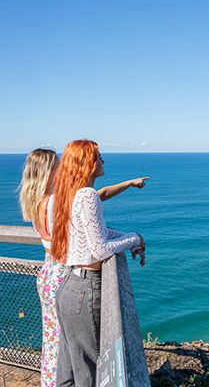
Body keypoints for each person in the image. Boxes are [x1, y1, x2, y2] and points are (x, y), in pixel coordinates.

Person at [19, 148, 148, 387]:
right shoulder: (60, 202)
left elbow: (97, 197)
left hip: (47, 275)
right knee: (76, 350)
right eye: (58, 165)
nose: (62, 169)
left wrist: (128, 184)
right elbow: (95, 203)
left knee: (56, 341)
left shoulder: (36, 202)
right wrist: (134, 238)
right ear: (49, 171)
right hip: (65, 273)